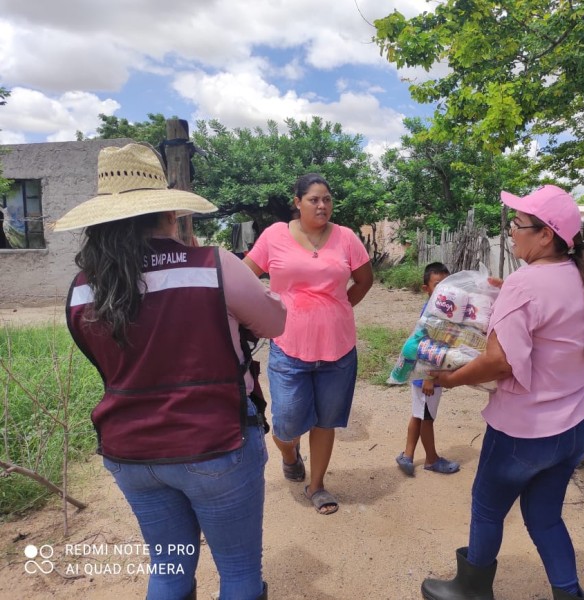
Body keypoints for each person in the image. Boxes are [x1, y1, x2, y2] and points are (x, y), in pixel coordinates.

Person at [53, 143, 287, 600]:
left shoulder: (83, 289)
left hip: (131, 452)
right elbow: (274, 323)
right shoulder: (213, 266)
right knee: (239, 573)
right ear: (169, 213)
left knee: (168, 571)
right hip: (216, 443)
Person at [421, 185, 584, 600]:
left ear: (545, 235)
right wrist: (510, 294)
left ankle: (471, 589)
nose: (513, 233)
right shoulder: (580, 276)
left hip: (525, 431)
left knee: (487, 508)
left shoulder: (526, 284)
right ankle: (569, 593)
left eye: (519, 226)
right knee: (544, 518)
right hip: (575, 424)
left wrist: (448, 380)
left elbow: (499, 363)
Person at [244, 173, 373, 515]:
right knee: (285, 422)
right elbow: (244, 276)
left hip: (339, 347)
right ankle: (290, 455)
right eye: (314, 199)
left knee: (325, 421)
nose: (322, 205)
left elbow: (364, 279)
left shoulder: (346, 238)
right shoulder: (274, 235)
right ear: (297, 202)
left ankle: (316, 485)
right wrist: (264, 312)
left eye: (327, 199)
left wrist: (339, 307)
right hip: (289, 346)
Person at [395, 262, 460, 476]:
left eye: (448, 284)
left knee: (418, 414)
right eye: (439, 285)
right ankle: (431, 460)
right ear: (427, 289)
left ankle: (407, 455)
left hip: (420, 373)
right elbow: (428, 347)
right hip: (426, 375)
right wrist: (430, 378)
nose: (445, 290)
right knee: (426, 418)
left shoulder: (435, 309)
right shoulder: (435, 313)